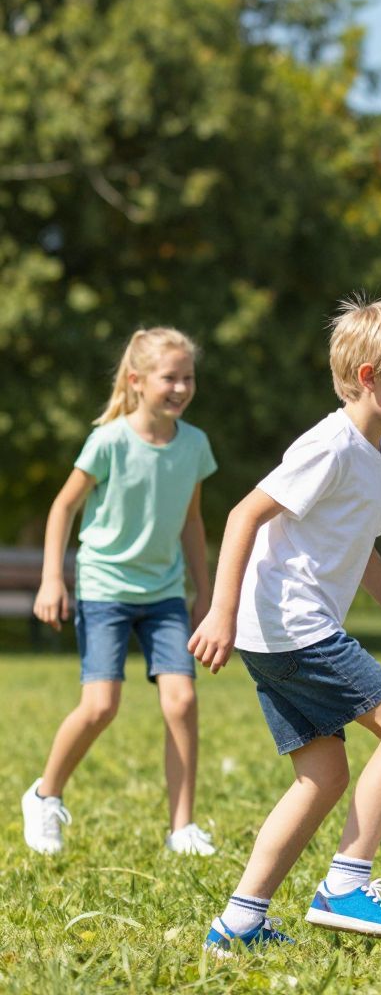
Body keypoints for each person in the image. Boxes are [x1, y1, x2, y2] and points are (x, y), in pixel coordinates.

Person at [188, 297, 381, 954]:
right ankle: (345, 883)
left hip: (277, 635)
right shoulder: (330, 446)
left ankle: (239, 923)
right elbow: (245, 515)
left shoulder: (379, 455)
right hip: (292, 627)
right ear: (370, 377)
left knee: (323, 776)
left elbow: (362, 554)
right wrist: (219, 611)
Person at [25, 328, 217, 857]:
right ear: (136, 381)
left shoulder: (195, 444)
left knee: (181, 701)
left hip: (164, 594)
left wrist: (207, 593)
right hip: (105, 588)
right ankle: (44, 795)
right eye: (169, 378)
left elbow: (193, 522)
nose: (180, 387)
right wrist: (50, 579)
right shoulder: (109, 440)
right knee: (100, 706)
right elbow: (63, 507)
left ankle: (182, 827)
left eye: (188, 377)